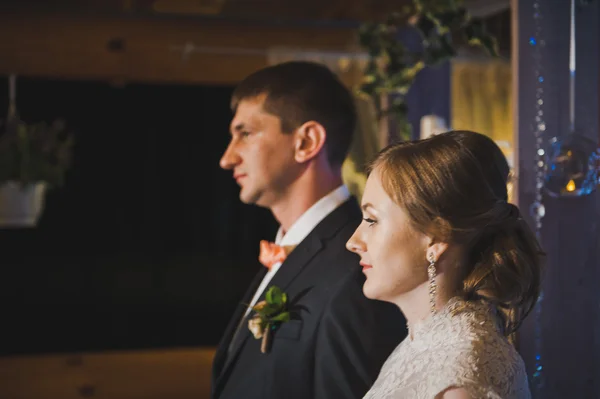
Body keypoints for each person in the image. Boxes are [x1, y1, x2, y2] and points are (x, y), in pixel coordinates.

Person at [211, 61, 407, 399]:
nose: (227, 158)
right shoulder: (290, 250)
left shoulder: (359, 268)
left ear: (307, 141)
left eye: (245, 133)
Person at [347, 130, 544, 399]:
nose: (353, 241)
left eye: (372, 220)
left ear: (436, 239)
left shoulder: (457, 382)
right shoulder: (424, 344)